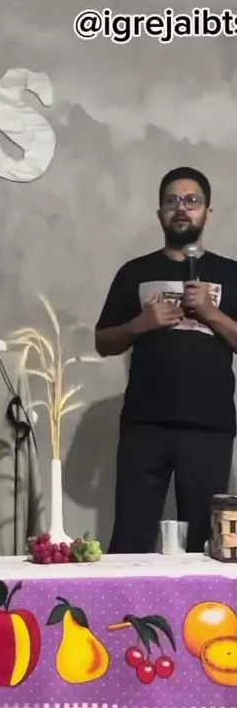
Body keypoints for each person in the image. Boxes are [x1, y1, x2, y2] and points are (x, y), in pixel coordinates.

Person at [95, 167, 237, 553]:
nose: (182, 208)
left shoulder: (230, 273)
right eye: (172, 201)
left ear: (207, 212)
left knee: (206, 542)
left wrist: (211, 313)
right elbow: (103, 341)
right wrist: (139, 325)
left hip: (209, 424)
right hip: (145, 424)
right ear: (159, 213)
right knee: (131, 537)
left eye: (192, 201)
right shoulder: (135, 272)